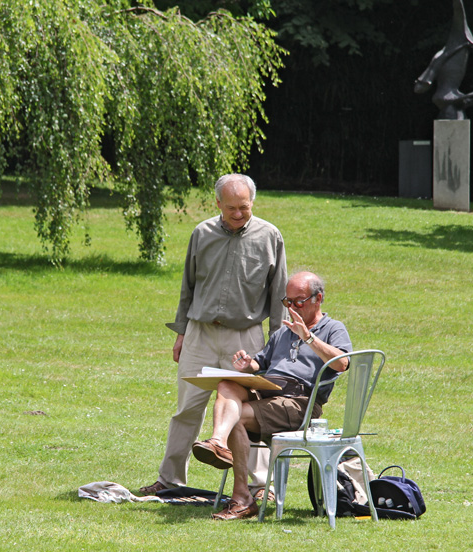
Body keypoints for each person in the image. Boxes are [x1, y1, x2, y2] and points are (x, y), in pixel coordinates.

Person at [138, 174, 287, 498]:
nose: (238, 213)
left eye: (244, 207)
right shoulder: (201, 233)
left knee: (251, 413)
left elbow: (279, 295)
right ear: (217, 203)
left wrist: (277, 346)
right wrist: (181, 333)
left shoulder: (270, 236)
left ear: (253, 203)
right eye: (231, 207)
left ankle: (260, 486)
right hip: (199, 334)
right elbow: (187, 287)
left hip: (245, 339)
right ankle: (170, 480)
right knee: (186, 410)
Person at [190, 271, 353, 520]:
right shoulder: (282, 332)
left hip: (299, 403)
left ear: (318, 298)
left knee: (236, 416)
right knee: (226, 385)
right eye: (287, 301)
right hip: (268, 392)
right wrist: (248, 365)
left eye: (298, 301)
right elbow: (261, 362)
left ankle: (242, 497)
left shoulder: (333, 328)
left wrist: (308, 337)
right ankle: (218, 443)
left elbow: (342, 364)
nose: (291, 307)